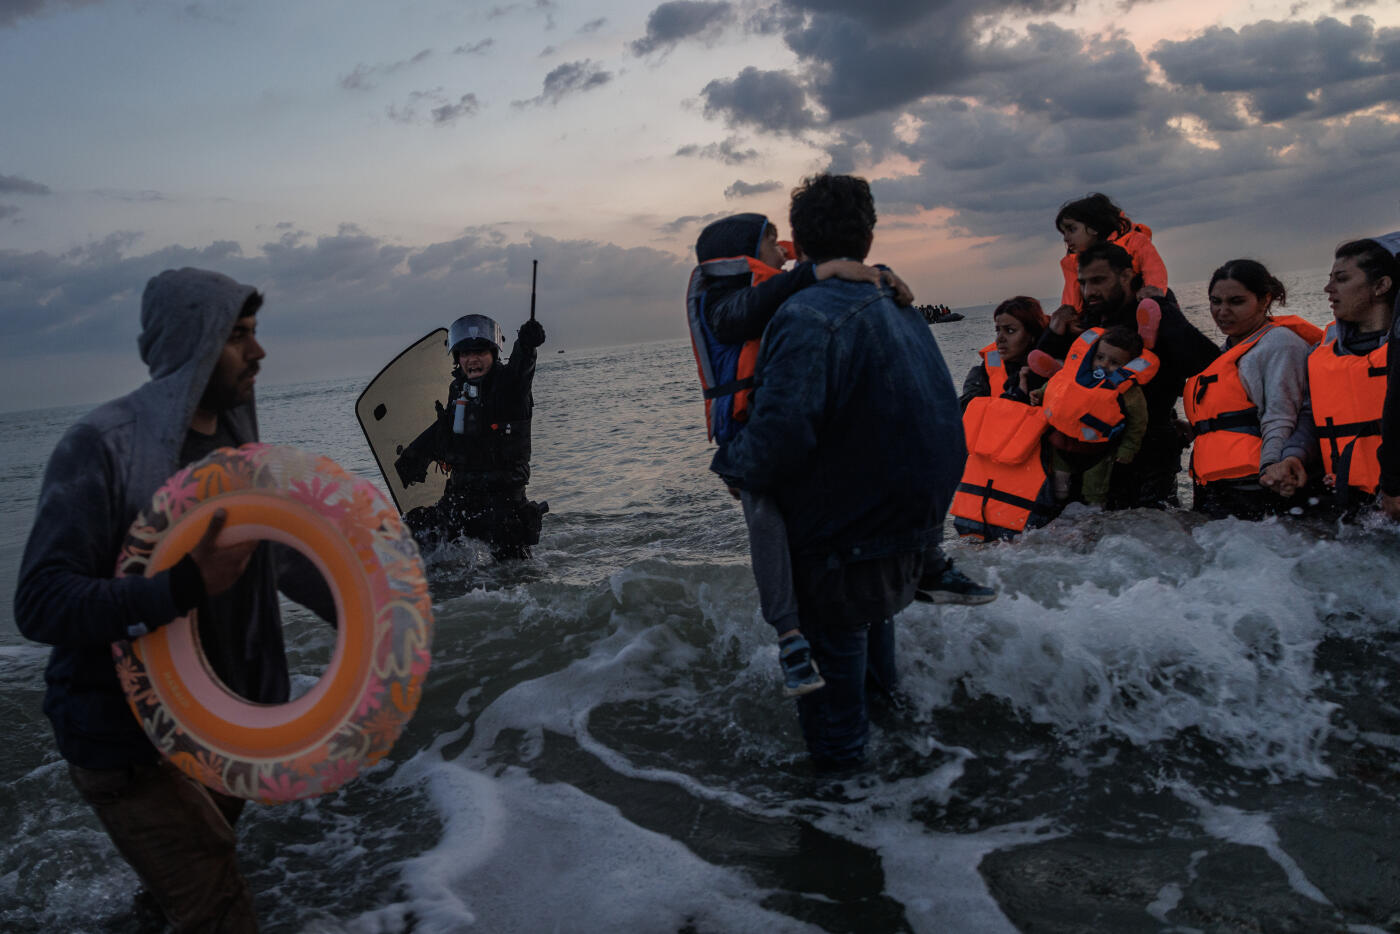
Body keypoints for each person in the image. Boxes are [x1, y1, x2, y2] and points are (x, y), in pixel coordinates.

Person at [13, 268, 335, 931]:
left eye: (255, 332)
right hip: (120, 737)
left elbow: (269, 557)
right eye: (237, 335)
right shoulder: (101, 447)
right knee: (219, 901)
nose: (259, 352)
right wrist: (184, 585)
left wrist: (375, 616)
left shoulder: (236, 448)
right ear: (193, 342)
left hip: (216, 721)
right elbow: (40, 602)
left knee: (179, 898)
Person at [710, 173, 966, 771]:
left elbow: (779, 438)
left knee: (838, 744)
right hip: (905, 530)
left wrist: (730, 462)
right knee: (885, 703)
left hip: (839, 548)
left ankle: (841, 842)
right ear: (869, 235)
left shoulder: (805, 314)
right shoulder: (900, 303)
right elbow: (935, 413)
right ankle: (917, 811)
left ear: (799, 240)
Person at [688, 211, 890, 696]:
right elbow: (743, 315)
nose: (784, 251)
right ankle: (789, 634)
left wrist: (841, 265)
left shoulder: (779, 287)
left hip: (790, 425)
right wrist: (816, 268)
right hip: (745, 433)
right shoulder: (723, 300)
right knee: (766, 515)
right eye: (773, 243)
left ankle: (913, 569)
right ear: (742, 256)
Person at [1036, 241, 1219, 508]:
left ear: (1126, 275)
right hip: (1090, 454)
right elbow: (1044, 376)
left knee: (1153, 536)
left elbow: (1205, 362)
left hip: (1149, 454)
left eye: (1098, 280)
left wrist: (1162, 305)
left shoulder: (1152, 313)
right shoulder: (1089, 322)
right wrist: (1053, 333)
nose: (1089, 291)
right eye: (1083, 283)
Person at [395, 313, 548, 560]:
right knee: (410, 535)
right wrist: (415, 456)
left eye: (480, 352)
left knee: (512, 578)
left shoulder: (510, 386)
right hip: (461, 501)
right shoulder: (458, 390)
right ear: (457, 358)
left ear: (493, 354)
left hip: (503, 507)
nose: (472, 359)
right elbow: (444, 431)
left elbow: (522, 369)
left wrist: (527, 346)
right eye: (465, 354)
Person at [1268, 235, 1400, 515]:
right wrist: (1294, 455)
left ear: (1381, 286)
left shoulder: (1395, 348)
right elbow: (1311, 416)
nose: (1328, 288)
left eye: (1341, 279)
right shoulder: (1322, 352)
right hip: (1349, 505)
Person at [1183, 259, 1322, 520]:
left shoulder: (1280, 345)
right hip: (1217, 485)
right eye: (1216, 302)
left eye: (1236, 302)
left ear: (1264, 300)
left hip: (1261, 485)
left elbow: (1282, 416)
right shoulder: (1228, 352)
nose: (1222, 311)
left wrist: (1271, 468)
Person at [950, 296, 1058, 539]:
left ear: (1032, 334)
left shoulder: (1052, 378)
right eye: (997, 330)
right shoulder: (983, 373)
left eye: (1010, 330)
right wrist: (1016, 394)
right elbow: (965, 415)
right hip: (977, 511)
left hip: (1030, 509)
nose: (999, 338)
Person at [1032, 325, 1153, 506]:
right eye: (1100, 357)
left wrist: (1128, 449)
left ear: (1127, 366)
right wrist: (1040, 394)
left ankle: (1092, 522)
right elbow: (1057, 387)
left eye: (1114, 362)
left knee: (1094, 495)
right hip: (1061, 445)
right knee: (1059, 490)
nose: (1104, 364)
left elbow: (1138, 422)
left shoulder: (1129, 392)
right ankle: (1057, 513)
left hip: (1098, 453)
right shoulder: (1076, 373)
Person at [1054, 192, 1168, 314]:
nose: (1066, 238)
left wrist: (1152, 297)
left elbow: (1154, 270)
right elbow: (1071, 298)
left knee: (1165, 301)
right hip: (1102, 314)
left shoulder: (1135, 242)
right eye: (1063, 232)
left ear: (1094, 227)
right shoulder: (1073, 262)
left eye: (1072, 229)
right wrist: (1069, 317)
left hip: (1141, 305)